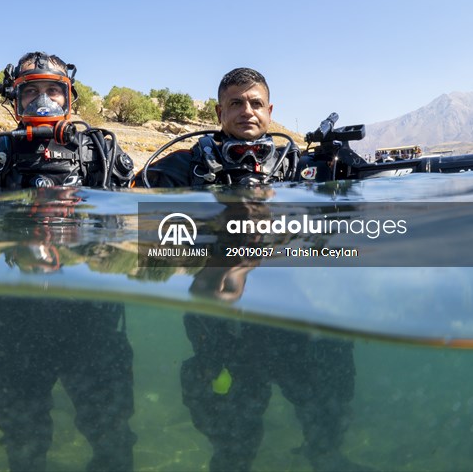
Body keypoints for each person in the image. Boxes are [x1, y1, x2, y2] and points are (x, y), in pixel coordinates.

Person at [137, 67, 367, 472]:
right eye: (236, 103)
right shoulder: (183, 166)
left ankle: (327, 455)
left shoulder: (297, 165)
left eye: (255, 103)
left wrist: (346, 173)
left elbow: (345, 216)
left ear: (270, 109)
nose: (247, 111)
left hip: (288, 313)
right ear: (218, 111)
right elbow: (140, 213)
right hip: (220, 320)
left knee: (327, 391)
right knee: (231, 434)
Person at [0, 52, 137, 472]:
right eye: (30, 91)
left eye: (53, 91)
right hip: (11, 324)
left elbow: (126, 222)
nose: (43, 102)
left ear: (69, 97)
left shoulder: (98, 154)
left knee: (112, 439)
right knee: (25, 441)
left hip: (89, 322)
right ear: (13, 99)